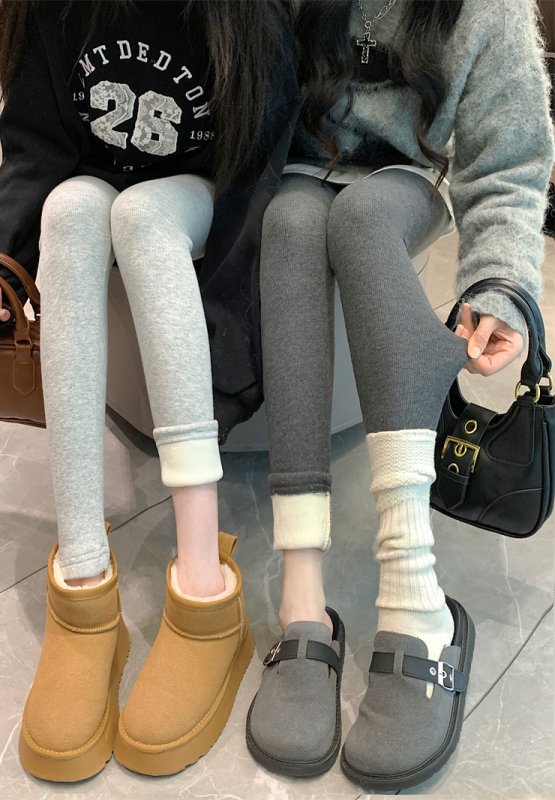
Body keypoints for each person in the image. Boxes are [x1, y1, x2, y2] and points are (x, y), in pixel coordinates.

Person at [0, 0, 299, 782]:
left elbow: (255, 168)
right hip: (95, 179)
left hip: (205, 188)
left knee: (142, 217)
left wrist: (229, 334)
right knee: (70, 208)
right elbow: (37, 141)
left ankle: (206, 590)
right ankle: (82, 585)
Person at [246, 0, 554, 790]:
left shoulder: (486, 11)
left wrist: (500, 284)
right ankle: (303, 603)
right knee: (289, 224)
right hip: (295, 170)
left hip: (411, 178)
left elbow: (510, 161)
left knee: (360, 217)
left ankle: (418, 603)